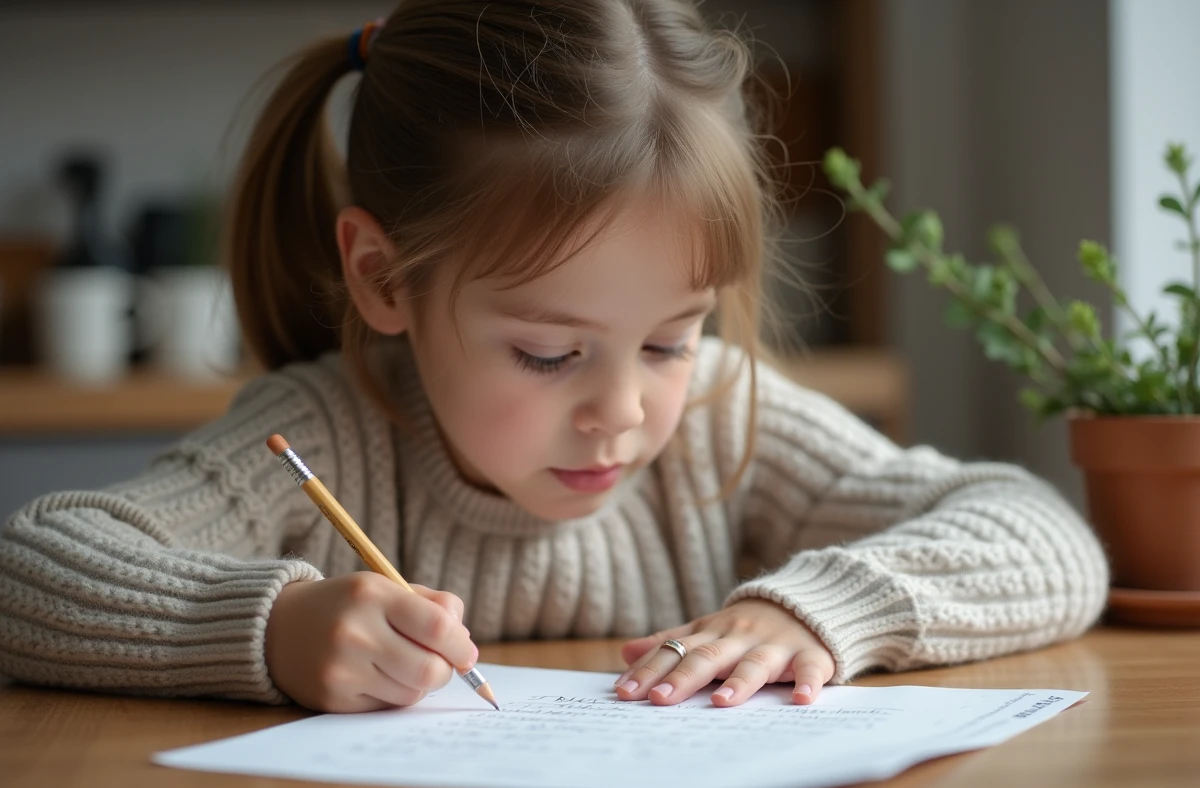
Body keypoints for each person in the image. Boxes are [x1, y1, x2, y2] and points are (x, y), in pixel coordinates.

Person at [0, 0, 1108, 714]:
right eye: (546, 352)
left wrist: (818, 609)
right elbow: (31, 568)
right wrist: (275, 630)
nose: (622, 410)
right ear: (384, 278)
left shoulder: (722, 422)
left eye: (672, 338)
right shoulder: (325, 434)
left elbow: (1042, 535)